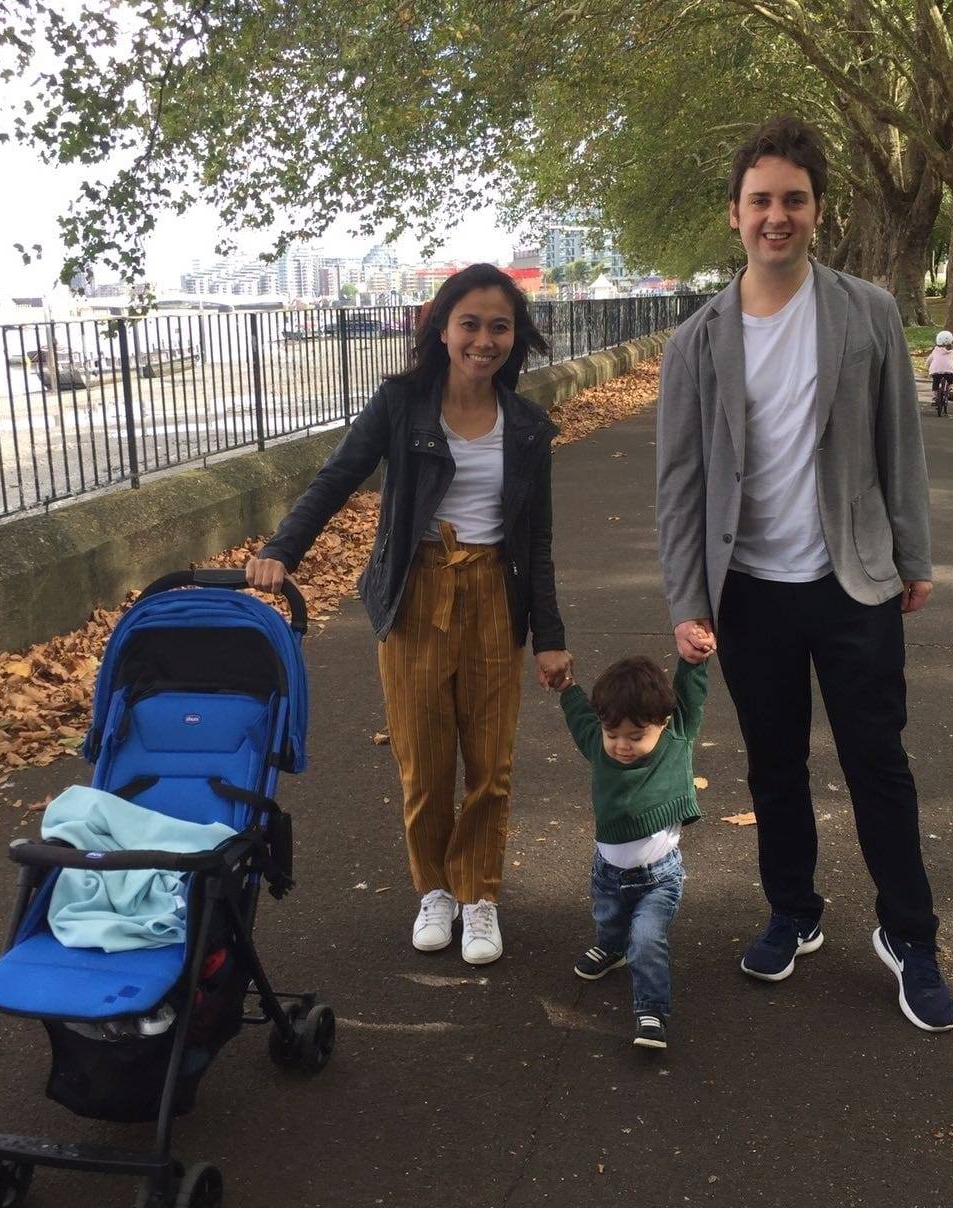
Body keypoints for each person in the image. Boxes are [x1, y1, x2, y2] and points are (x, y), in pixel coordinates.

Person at [655, 116, 953, 1031]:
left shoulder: (866, 311)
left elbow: (897, 440)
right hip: (748, 592)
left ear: (816, 211)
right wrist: (686, 598)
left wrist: (914, 553)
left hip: (853, 579)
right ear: (735, 216)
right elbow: (680, 483)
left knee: (879, 763)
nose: (775, 217)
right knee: (774, 767)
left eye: (792, 200)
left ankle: (911, 936)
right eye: (760, 202)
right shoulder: (696, 341)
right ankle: (794, 912)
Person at [246, 264, 573, 965]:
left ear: (516, 339)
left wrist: (550, 638)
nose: (484, 340)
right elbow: (338, 475)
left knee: (490, 761)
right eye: (471, 324)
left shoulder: (526, 428)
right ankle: (436, 890)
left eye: (500, 327)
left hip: (493, 595)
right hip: (415, 592)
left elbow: (537, 540)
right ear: (441, 329)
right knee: (424, 761)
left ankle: (480, 896)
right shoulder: (400, 405)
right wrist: (283, 549)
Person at [558, 654, 710, 1050]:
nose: (622, 745)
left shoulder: (676, 741)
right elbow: (579, 716)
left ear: (662, 723)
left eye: (635, 736)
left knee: (646, 938)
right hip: (607, 870)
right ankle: (611, 948)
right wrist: (565, 686)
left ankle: (652, 1012)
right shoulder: (599, 745)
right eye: (613, 735)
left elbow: (690, 698)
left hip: (659, 879)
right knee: (608, 916)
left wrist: (694, 660)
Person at [927, 330, 953, 415]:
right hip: (948, 370)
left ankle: (936, 397)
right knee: (951, 381)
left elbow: (929, 360)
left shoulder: (935, 350)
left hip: (936, 370)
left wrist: (928, 367)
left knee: (935, 382)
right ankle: (951, 390)